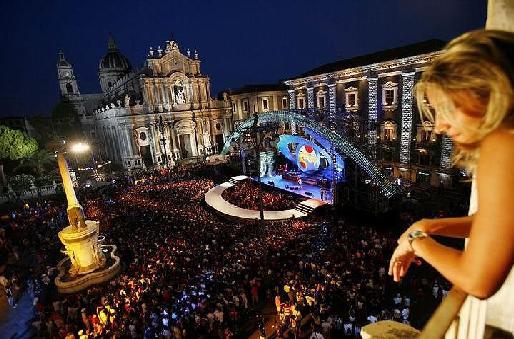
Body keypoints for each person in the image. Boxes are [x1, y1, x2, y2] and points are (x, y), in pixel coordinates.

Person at [389, 29, 514, 299]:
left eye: (447, 108)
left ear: (483, 92)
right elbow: (495, 223)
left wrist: (416, 243)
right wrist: (428, 226)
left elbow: (477, 281)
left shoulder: (503, 144)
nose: (439, 126)